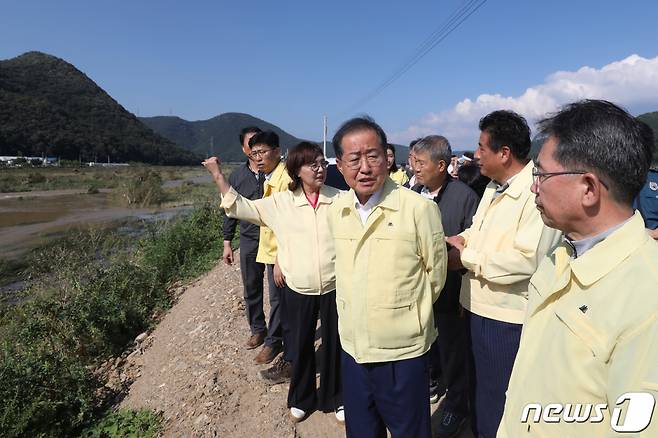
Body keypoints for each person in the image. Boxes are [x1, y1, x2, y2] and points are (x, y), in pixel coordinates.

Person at [499, 99, 658, 437]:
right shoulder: (561, 252)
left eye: (541, 174)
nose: (533, 186)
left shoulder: (648, 297)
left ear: (588, 188)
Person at [203, 142, 344, 424]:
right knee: (300, 344)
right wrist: (218, 175)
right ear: (296, 170)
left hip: (334, 286)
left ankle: (337, 397)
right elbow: (242, 207)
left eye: (322, 163)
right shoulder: (282, 203)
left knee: (336, 345)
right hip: (298, 288)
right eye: (312, 164)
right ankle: (302, 398)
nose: (320, 169)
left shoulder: (340, 199)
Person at [328, 116, 447, 438]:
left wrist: (403, 314)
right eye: (354, 159)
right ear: (340, 165)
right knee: (362, 431)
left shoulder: (418, 209)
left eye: (372, 156)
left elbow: (434, 276)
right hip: (353, 349)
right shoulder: (338, 210)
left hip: (402, 353)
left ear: (387, 157)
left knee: (410, 431)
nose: (364, 167)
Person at [445, 110, 562, 438]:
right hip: (477, 306)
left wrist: (464, 257)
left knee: (499, 398)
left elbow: (525, 260)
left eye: (482, 147)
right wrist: (461, 240)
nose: (476, 155)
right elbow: (477, 229)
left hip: (504, 319)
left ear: (504, 153)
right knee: (479, 391)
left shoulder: (535, 192)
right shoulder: (494, 188)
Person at [412, 135, 480, 438]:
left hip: (452, 291)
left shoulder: (464, 196)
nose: (415, 167)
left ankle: (456, 406)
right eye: (412, 160)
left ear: (441, 165)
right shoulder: (412, 193)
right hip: (419, 289)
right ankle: (431, 384)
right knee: (426, 345)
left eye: (420, 162)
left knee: (455, 350)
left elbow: (474, 244)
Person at [246, 131, 294, 381]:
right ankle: (279, 341)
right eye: (254, 154)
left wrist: (279, 259)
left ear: (277, 151)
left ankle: (276, 343)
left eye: (263, 152)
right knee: (278, 300)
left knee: (279, 301)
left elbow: (288, 223)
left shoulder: (285, 179)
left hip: (280, 253)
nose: (258, 158)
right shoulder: (270, 177)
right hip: (271, 249)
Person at [222, 126, 267, 351]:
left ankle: (278, 335)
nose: (256, 148)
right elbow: (230, 209)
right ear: (244, 148)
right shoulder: (237, 177)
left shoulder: (277, 172)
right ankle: (258, 330)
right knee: (251, 286)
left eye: (260, 142)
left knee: (281, 289)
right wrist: (227, 242)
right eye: (251, 143)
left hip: (276, 237)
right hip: (249, 238)